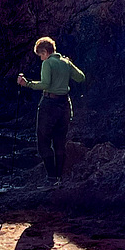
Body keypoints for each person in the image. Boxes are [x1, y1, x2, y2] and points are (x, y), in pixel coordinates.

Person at [17, 37, 85, 187]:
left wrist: (26, 83)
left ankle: (51, 178)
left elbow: (45, 84)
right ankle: (59, 179)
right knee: (59, 142)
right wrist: (68, 65)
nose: (41, 59)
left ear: (46, 52)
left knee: (43, 142)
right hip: (65, 105)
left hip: (49, 105)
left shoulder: (48, 63)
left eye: (41, 55)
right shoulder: (65, 62)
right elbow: (81, 78)